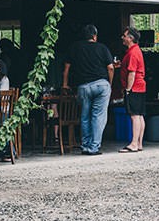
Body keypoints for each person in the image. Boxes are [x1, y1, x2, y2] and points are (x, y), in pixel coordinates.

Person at [62, 24, 113, 156]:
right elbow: (111, 68)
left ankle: (85, 146)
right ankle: (94, 147)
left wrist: (65, 84)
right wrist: (109, 83)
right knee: (98, 116)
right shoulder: (102, 48)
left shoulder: (75, 48)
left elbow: (66, 68)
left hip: (83, 86)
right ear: (94, 36)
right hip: (101, 85)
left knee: (85, 117)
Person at [117, 26, 146, 153]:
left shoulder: (133, 53)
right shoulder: (136, 50)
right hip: (140, 87)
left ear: (130, 38)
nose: (122, 38)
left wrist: (128, 89)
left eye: (124, 36)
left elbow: (132, 73)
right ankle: (139, 143)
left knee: (134, 116)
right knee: (139, 115)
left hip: (134, 87)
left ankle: (134, 143)